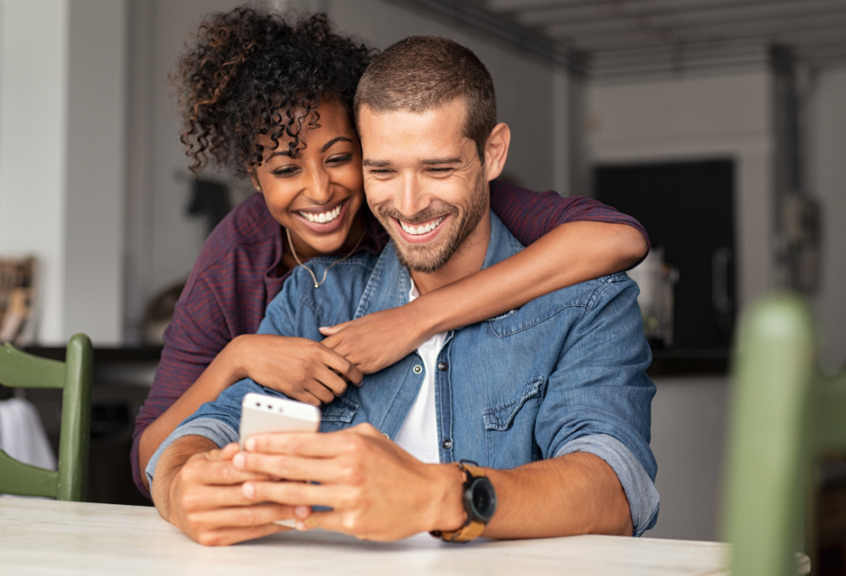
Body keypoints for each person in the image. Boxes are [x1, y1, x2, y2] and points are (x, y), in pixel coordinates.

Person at [147, 35, 659, 546]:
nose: (409, 204)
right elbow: (205, 429)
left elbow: (614, 489)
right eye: (383, 170)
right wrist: (179, 486)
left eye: (438, 168)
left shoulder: (588, 303)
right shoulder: (315, 296)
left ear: (493, 153)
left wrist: (439, 496)